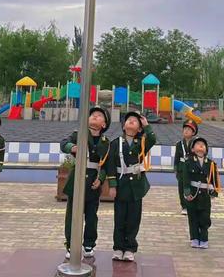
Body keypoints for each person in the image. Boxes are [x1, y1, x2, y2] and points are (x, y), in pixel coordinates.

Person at [61, 106, 111, 259]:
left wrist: (101, 179)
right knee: (72, 215)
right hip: (77, 178)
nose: (95, 116)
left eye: (99, 116)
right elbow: (64, 144)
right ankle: (71, 244)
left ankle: (89, 244)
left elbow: (106, 164)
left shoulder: (106, 142)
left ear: (104, 124)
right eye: (92, 115)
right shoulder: (79, 134)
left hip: (93, 183)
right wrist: (72, 147)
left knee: (91, 216)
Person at [107, 111, 156, 261]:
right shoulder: (115, 143)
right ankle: (118, 247)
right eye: (129, 120)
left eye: (135, 121)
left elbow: (152, 139)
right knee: (120, 218)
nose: (131, 122)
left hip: (136, 186)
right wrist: (112, 185)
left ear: (139, 128)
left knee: (134, 219)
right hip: (121, 185)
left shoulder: (141, 142)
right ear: (123, 125)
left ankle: (130, 248)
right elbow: (110, 166)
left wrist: (147, 126)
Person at [182, 136, 220, 249]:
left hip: (204, 195)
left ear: (206, 149)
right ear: (193, 149)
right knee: (193, 218)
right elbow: (185, 178)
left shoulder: (211, 164)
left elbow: (214, 178)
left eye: (203, 145)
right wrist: (187, 192)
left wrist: (214, 191)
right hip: (192, 195)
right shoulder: (188, 162)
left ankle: (203, 238)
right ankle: (194, 238)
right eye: (198, 144)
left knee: (205, 218)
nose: (201, 146)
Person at [174, 119, 198, 214]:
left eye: (189, 129)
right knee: (181, 188)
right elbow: (176, 158)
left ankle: (192, 205)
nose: (186, 131)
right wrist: (176, 169)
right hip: (181, 169)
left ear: (193, 132)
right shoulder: (179, 144)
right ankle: (184, 206)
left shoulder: (196, 143)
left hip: (191, 169)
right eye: (185, 129)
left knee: (191, 187)